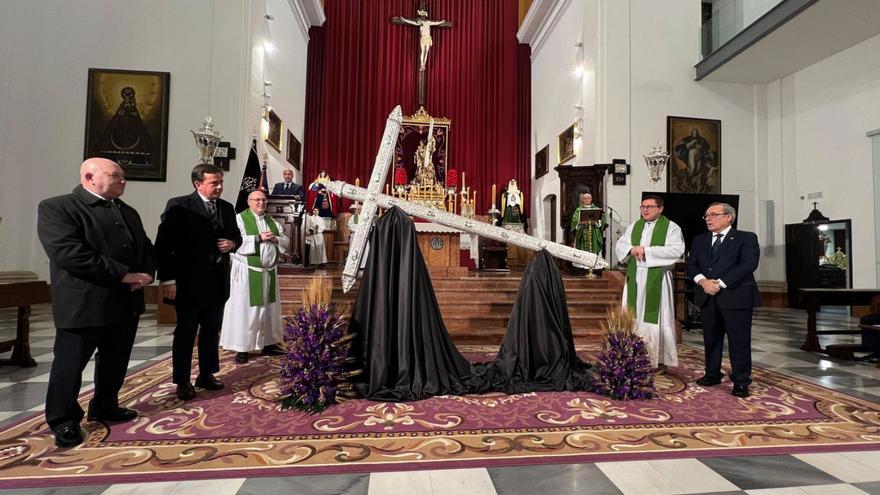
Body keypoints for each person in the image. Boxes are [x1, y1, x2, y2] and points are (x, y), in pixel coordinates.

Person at [37, 158, 155, 448]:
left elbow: (145, 246)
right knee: (70, 364)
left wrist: (148, 274)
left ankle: (105, 405)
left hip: (124, 302)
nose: (123, 181)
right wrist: (124, 275)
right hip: (84, 303)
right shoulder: (58, 207)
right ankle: (63, 420)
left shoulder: (126, 211)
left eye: (124, 176)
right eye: (116, 176)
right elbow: (70, 254)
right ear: (89, 177)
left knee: (115, 360)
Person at [156, 163, 242, 401]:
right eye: (214, 183)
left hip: (217, 282)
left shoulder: (226, 208)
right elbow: (164, 244)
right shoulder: (179, 205)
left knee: (210, 331)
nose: (220, 187)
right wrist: (168, 278)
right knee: (185, 332)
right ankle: (182, 380)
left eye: (221, 182)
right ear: (198, 184)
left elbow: (236, 235)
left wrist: (232, 244)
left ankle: (206, 374)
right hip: (188, 283)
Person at [686, 202, 760, 398]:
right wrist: (702, 281)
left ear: (729, 217)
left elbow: (748, 264)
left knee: (739, 342)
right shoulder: (700, 240)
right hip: (707, 297)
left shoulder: (746, 238)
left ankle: (741, 381)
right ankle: (712, 374)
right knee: (711, 339)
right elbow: (691, 265)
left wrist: (719, 283)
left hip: (736, 296)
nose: (708, 219)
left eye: (714, 215)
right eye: (707, 215)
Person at [615, 195, 684, 372]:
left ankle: (657, 359)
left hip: (657, 278)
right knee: (633, 317)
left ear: (660, 209)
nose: (645, 210)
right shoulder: (634, 226)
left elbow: (676, 249)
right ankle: (631, 355)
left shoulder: (671, 228)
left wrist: (646, 251)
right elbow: (621, 244)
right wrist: (631, 249)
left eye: (649, 207)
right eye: (642, 207)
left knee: (657, 318)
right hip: (635, 278)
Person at [220, 189, 289, 364]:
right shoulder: (239, 219)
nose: (261, 203)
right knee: (246, 311)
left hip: (269, 272)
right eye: (257, 200)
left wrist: (276, 240)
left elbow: (285, 241)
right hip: (247, 272)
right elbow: (234, 242)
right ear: (249, 201)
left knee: (269, 309)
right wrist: (257, 238)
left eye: (264, 200)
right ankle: (243, 347)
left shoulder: (271, 221)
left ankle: (269, 342)